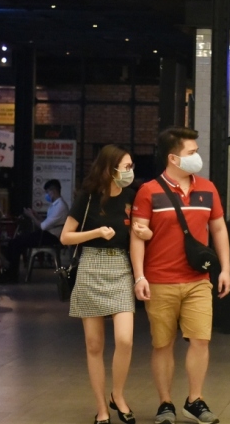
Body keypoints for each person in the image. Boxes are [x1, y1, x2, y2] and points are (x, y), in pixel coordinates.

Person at [130, 127, 230, 424]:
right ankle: (165, 403)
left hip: (198, 280)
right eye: (192, 152)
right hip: (159, 281)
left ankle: (194, 400)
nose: (197, 156)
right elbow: (137, 236)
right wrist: (139, 276)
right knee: (162, 344)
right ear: (173, 158)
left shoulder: (208, 188)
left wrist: (226, 269)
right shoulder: (149, 191)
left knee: (200, 340)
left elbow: (219, 228)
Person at [62, 145, 146, 424]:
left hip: (120, 267)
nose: (130, 172)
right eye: (126, 167)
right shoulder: (88, 197)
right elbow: (65, 236)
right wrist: (96, 232)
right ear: (110, 169)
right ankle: (101, 408)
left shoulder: (132, 197)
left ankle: (117, 394)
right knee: (94, 345)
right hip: (90, 266)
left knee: (125, 339)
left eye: (131, 166)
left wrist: (145, 234)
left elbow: (139, 235)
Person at [0, 179, 69, 283]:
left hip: (50, 237)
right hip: (47, 234)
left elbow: (42, 227)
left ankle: (11, 275)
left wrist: (31, 216)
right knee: (15, 242)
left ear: (53, 191)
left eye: (47, 192)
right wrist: (36, 215)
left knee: (15, 243)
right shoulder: (55, 205)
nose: (46, 195)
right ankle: (9, 272)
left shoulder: (60, 207)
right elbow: (47, 223)